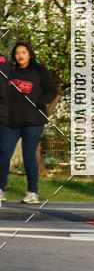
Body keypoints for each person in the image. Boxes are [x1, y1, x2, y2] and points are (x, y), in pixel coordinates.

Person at [0, 42, 57, 204]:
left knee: (28, 155)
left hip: (33, 120)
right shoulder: (10, 72)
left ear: (29, 54)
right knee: (3, 152)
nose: (20, 56)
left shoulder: (39, 71)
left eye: (23, 52)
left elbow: (52, 91)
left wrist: (41, 102)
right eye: (17, 53)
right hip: (11, 120)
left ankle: (32, 192)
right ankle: (1, 189)